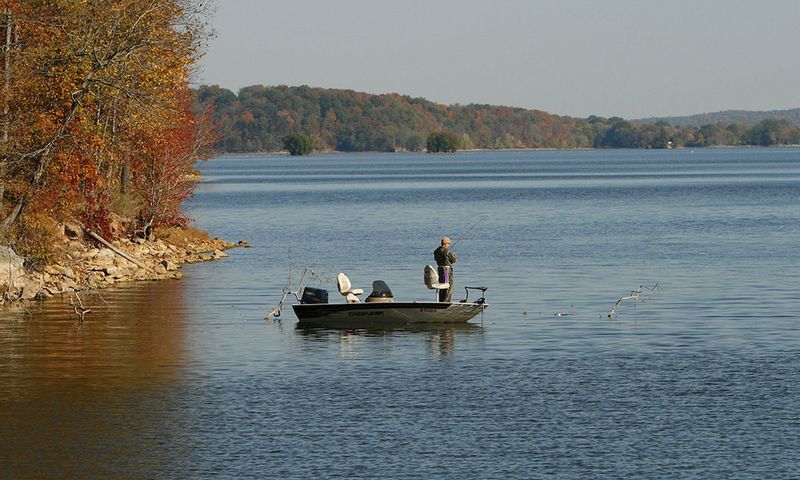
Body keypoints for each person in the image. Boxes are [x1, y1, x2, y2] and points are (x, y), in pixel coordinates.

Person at [433, 236, 457, 302]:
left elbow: (436, 259)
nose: (449, 245)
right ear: (446, 243)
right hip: (446, 270)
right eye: (449, 244)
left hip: (440, 269)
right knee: (448, 286)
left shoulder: (436, 251)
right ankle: (446, 302)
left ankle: (441, 300)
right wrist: (454, 255)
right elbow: (453, 260)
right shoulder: (448, 251)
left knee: (442, 285)